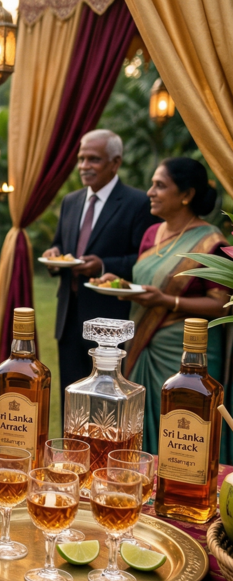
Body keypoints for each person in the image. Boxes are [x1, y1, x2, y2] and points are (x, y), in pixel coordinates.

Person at [95, 157, 231, 460]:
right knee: (138, 425)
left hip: (185, 353)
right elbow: (149, 282)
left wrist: (167, 301)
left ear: (186, 194)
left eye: (160, 185)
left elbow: (222, 304)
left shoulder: (212, 242)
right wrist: (119, 283)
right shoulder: (151, 234)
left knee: (182, 431)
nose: (150, 192)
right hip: (142, 344)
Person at [42, 130, 156, 397]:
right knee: (72, 396)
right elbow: (60, 246)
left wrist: (103, 266)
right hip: (68, 317)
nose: (84, 166)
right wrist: (54, 257)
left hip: (111, 320)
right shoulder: (71, 201)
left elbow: (145, 260)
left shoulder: (138, 203)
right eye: (81, 159)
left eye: (93, 159)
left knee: (107, 399)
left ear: (115, 163)